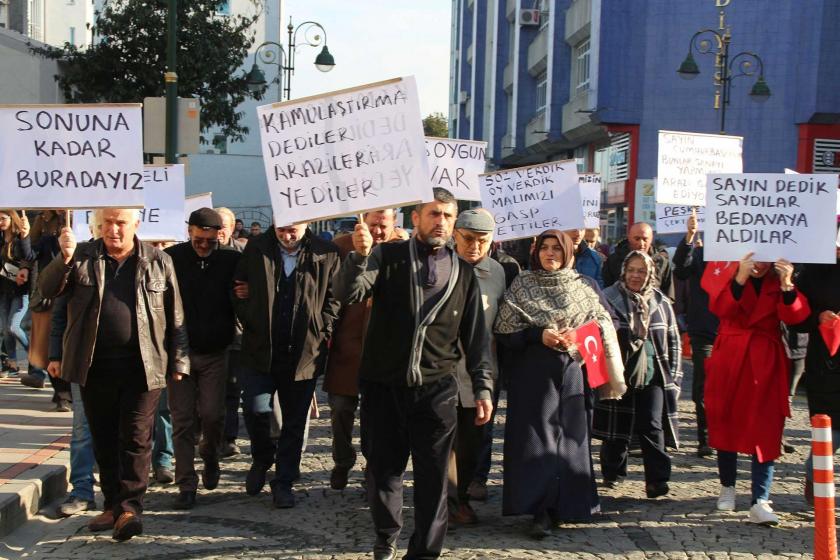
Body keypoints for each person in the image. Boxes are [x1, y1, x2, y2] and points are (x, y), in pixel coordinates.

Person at [335, 188, 494, 560]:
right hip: (383, 386)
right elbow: (349, 293)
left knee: (434, 478)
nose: (440, 221)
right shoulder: (386, 256)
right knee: (384, 470)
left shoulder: (464, 273)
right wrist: (358, 258)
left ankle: (424, 551)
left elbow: (476, 337)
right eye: (434, 214)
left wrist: (483, 387)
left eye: (447, 216)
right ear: (415, 219)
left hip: (437, 391)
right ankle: (385, 536)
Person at [38, 208, 190, 541]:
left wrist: (179, 360)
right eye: (106, 223)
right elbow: (47, 290)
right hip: (93, 367)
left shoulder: (157, 260)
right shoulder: (81, 256)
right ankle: (112, 504)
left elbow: (175, 312)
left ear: (136, 225)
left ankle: (130, 508)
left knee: (136, 437)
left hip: (142, 367)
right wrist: (63, 258)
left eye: (120, 223)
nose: (113, 230)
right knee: (104, 437)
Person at [494, 230, 625, 538]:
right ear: (536, 251)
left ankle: (568, 504)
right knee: (535, 439)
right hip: (532, 375)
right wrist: (537, 335)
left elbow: (606, 321)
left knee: (571, 438)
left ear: (568, 253)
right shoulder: (522, 284)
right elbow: (503, 328)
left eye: (556, 248)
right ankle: (538, 509)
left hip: (572, 373)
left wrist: (579, 335)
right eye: (545, 248)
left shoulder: (583, 286)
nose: (550, 253)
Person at [234, 221, 340, 508]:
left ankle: (284, 481)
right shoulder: (257, 247)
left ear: (305, 224)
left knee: (294, 421)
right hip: (260, 349)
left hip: (304, 351)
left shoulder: (325, 252)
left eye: (293, 230)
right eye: (282, 230)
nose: (287, 236)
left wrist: (322, 329)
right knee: (256, 409)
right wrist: (250, 314)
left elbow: (334, 298)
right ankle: (262, 456)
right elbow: (239, 288)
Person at [702, 252, 810, 525]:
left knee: (766, 427)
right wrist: (739, 278)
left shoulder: (780, 280)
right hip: (731, 356)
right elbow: (720, 309)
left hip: (766, 360)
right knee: (725, 420)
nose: (759, 265)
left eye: (765, 259)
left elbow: (796, 317)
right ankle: (727, 486)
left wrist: (787, 284)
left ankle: (760, 499)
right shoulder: (728, 274)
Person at [323, 208, 404, 491]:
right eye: (373, 225)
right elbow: (332, 291)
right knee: (340, 409)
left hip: (385, 349)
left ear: (395, 224)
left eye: (384, 226)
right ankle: (342, 460)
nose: (378, 231)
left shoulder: (403, 249)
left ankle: (374, 466)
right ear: (363, 221)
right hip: (347, 343)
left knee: (378, 416)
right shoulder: (342, 246)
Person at [165, 208, 241, 509]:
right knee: (182, 421)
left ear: (219, 236)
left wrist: (244, 294)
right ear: (190, 232)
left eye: (210, 241)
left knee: (212, 414)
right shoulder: (171, 258)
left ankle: (210, 455)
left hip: (216, 351)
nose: (204, 246)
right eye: (199, 239)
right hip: (179, 353)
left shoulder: (230, 260)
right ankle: (186, 484)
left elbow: (244, 299)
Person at [593, 251, 682, 498]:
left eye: (641, 271)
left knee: (652, 424)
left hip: (654, 373)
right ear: (623, 270)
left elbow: (673, 340)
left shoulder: (661, 302)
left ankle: (657, 479)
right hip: (619, 371)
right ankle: (613, 471)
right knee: (617, 425)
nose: (635, 275)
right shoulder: (608, 298)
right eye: (631, 269)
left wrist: (674, 376)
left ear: (650, 274)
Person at [447, 209, 506, 525]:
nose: (474, 246)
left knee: (472, 444)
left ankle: (462, 495)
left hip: (480, 375)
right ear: (454, 235)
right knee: (442, 442)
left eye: (481, 240)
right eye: (467, 238)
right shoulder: (439, 266)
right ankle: (450, 502)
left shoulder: (497, 273)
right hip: (440, 372)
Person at [791, 230, 840, 505]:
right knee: (829, 431)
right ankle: (815, 481)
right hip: (825, 363)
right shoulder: (815, 270)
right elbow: (797, 317)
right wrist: (818, 317)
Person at [672, 211, 719, 457]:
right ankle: (706, 437)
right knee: (704, 387)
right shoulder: (701, 254)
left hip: (735, 332)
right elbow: (681, 268)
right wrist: (689, 236)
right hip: (705, 331)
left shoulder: (744, 259)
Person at [20, 210, 73, 411]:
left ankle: (69, 392)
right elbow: (30, 254)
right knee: (51, 344)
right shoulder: (44, 225)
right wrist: (24, 235)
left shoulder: (85, 220)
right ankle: (62, 394)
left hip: (79, 293)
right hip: (51, 294)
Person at [216, 207, 245, 457]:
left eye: (223, 227)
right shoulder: (202, 254)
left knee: (232, 390)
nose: (219, 232)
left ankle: (228, 437)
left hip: (236, 333)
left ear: (233, 227)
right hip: (207, 334)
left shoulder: (244, 255)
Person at [0, 210, 33, 379]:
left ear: (11, 218)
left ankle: (34, 357)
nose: (0, 221)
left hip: (20, 290)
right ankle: (11, 364)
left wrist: (25, 235)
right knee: (5, 330)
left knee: (14, 326)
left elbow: (29, 256)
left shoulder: (20, 237)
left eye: (3, 218)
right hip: (4, 291)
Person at [603, 223, 674, 300]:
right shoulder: (614, 260)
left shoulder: (661, 262)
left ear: (651, 239)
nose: (641, 243)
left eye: (645, 239)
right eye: (637, 239)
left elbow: (668, 294)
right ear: (629, 237)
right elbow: (606, 289)